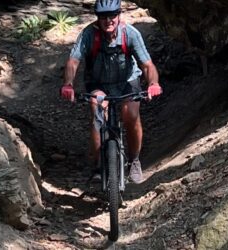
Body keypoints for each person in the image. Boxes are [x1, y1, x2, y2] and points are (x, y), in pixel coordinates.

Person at [60, 0, 162, 184]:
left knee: (130, 114)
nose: (108, 20)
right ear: (97, 18)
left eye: (112, 16)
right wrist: (68, 84)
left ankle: (134, 160)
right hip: (98, 84)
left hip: (126, 82)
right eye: (103, 17)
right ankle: (99, 165)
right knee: (97, 112)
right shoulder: (88, 35)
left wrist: (153, 83)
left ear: (119, 15)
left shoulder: (130, 34)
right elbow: (73, 61)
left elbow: (147, 65)